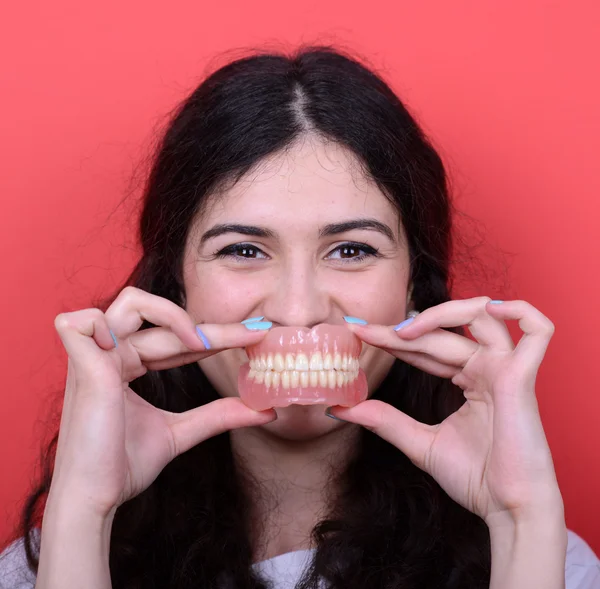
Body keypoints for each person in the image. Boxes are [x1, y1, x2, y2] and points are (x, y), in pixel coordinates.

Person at [1, 45, 598, 589]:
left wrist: (520, 518)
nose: (299, 309)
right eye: (243, 250)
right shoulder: (49, 565)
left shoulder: (547, 563)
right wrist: (83, 512)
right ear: (174, 285)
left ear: (414, 281)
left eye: (351, 250)